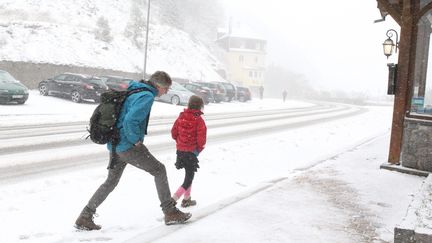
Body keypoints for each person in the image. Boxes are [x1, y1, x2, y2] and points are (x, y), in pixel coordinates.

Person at [75, 71, 191, 230]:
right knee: (159, 170)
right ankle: (170, 212)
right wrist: (136, 141)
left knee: (110, 182)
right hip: (127, 145)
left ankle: (85, 216)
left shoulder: (135, 90)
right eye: (167, 88)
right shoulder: (146, 96)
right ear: (159, 86)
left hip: (116, 144)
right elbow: (130, 121)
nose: (167, 92)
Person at [171, 95, 207, 207]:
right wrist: (198, 149)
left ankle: (186, 199)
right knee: (188, 179)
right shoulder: (199, 120)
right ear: (200, 106)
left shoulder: (181, 117)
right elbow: (202, 138)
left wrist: (180, 143)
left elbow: (173, 133)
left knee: (188, 174)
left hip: (180, 152)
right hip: (191, 152)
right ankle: (172, 201)